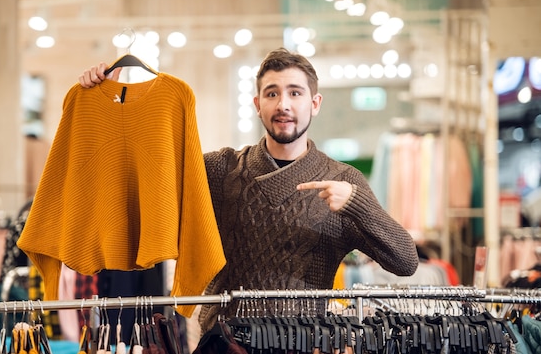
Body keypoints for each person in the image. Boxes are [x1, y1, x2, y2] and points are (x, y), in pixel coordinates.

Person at [78, 47, 419, 333]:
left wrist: (357, 204)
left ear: (314, 103)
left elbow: (405, 261)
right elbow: (139, 174)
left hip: (302, 342)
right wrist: (110, 100)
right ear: (258, 104)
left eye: (294, 93)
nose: (283, 104)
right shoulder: (220, 169)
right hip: (224, 340)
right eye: (272, 93)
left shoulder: (343, 181)